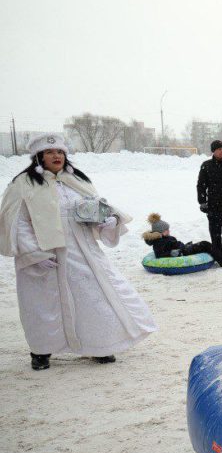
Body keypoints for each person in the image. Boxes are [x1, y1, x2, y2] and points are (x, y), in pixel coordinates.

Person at [0, 134, 157, 370]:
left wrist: (108, 221)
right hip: (45, 254)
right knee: (44, 305)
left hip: (82, 250)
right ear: (38, 157)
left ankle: (100, 345)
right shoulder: (24, 183)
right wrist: (33, 254)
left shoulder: (76, 181)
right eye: (50, 152)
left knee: (93, 297)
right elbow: (18, 222)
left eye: (60, 152)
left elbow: (94, 209)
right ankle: (41, 351)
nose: (57, 156)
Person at [196, 139, 222, 268]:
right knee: (216, 233)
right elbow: (201, 185)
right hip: (214, 205)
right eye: (218, 149)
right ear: (213, 151)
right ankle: (221, 258)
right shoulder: (206, 165)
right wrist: (202, 202)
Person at [142, 213, 220, 261]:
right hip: (182, 252)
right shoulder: (159, 241)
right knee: (204, 244)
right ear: (160, 232)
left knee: (204, 244)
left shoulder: (166, 238)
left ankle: (219, 256)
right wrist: (171, 253)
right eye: (166, 230)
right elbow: (159, 254)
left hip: (183, 249)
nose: (169, 231)